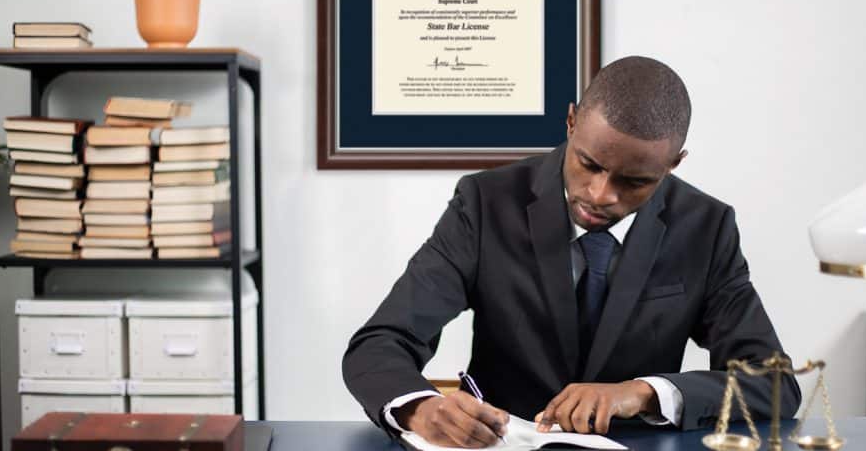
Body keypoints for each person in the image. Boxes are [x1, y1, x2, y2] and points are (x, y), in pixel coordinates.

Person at [343, 56, 801, 448]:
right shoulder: (485, 203)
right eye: (589, 164)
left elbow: (774, 383)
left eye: (635, 182)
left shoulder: (706, 227)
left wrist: (644, 392)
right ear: (570, 122)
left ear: (674, 163)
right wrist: (421, 408)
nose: (601, 195)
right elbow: (381, 343)